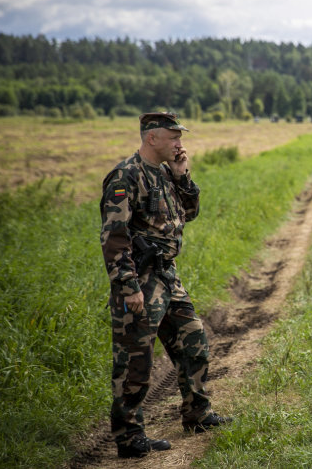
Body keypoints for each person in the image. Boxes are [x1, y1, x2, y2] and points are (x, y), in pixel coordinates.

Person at [100, 112, 231, 459]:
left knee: (194, 341)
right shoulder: (125, 176)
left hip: (168, 276)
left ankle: (198, 415)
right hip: (140, 279)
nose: (179, 142)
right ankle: (129, 438)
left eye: (180, 136)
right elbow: (115, 237)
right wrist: (128, 287)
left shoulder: (163, 173)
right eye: (172, 136)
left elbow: (189, 212)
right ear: (151, 138)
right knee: (135, 359)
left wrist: (181, 175)